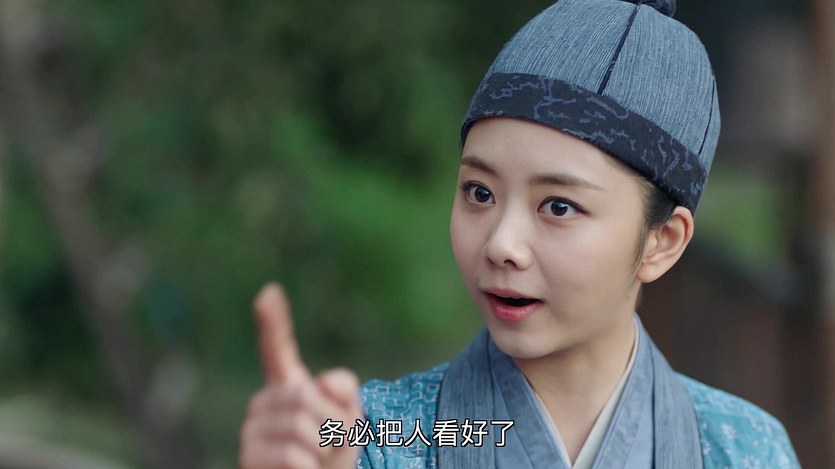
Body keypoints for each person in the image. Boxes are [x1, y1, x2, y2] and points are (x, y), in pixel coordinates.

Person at [239, 0, 801, 467]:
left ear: (662, 241)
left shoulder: (745, 451)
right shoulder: (368, 435)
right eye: (479, 193)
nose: (500, 245)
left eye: (558, 206)